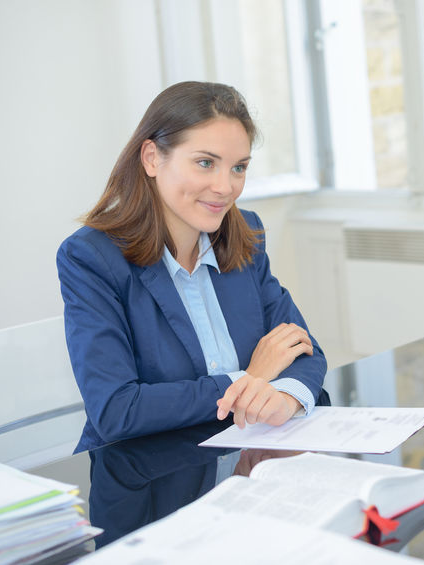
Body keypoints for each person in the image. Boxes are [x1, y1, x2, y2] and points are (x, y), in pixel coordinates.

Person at [57, 81, 327, 453]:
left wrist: (286, 398)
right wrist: (252, 378)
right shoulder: (91, 258)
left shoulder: (245, 233)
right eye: (205, 163)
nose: (225, 187)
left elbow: (301, 348)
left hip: (239, 457)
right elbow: (117, 410)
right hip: (141, 479)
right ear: (152, 158)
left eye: (238, 168)